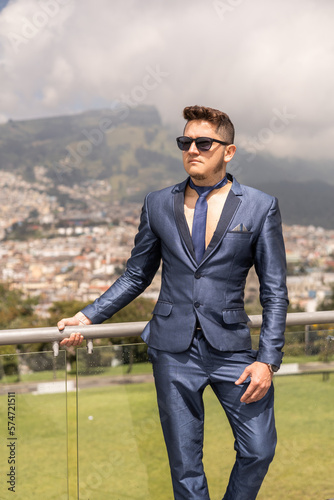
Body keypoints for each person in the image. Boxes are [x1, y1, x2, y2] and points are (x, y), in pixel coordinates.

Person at [58, 105, 289, 500]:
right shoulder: (157, 204)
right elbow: (136, 274)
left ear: (228, 152)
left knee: (259, 449)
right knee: (184, 464)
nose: (192, 150)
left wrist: (267, 360)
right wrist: (86, 316)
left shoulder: (260, 206)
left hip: (234, 350)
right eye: (186, 142)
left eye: (203, 142)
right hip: (172, 350)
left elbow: (275, 291)